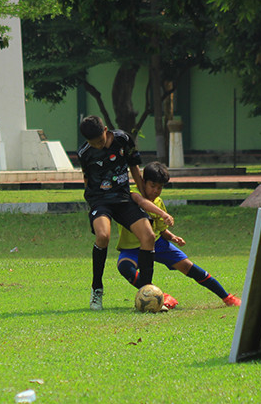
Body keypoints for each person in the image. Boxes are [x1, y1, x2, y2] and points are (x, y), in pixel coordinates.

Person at [115, 162, 240, 310]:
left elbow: (161, 230)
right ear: (143, 182)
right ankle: (160, 296)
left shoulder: (159, 202)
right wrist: (163, 213)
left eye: (160, 187)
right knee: (124, 266)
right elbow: (142, 203)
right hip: (132, 247)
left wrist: (172, 237)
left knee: (189, 267)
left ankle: (227, 297)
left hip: (158, 243)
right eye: (152, 185)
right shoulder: (132, 193)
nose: (156, 190)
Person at [78, 115, 172, 310]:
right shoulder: (85, 153)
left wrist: (145, 197)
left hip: (123, 198)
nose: (97, 146)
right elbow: (87, 180)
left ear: (105, 130)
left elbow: (135, 168)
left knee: (148, 237)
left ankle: (147, 294)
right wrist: (93, 203)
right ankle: (97, 291)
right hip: (99, 200)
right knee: (103, 236)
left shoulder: (123, 140)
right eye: (92, 143)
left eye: (100, 141)